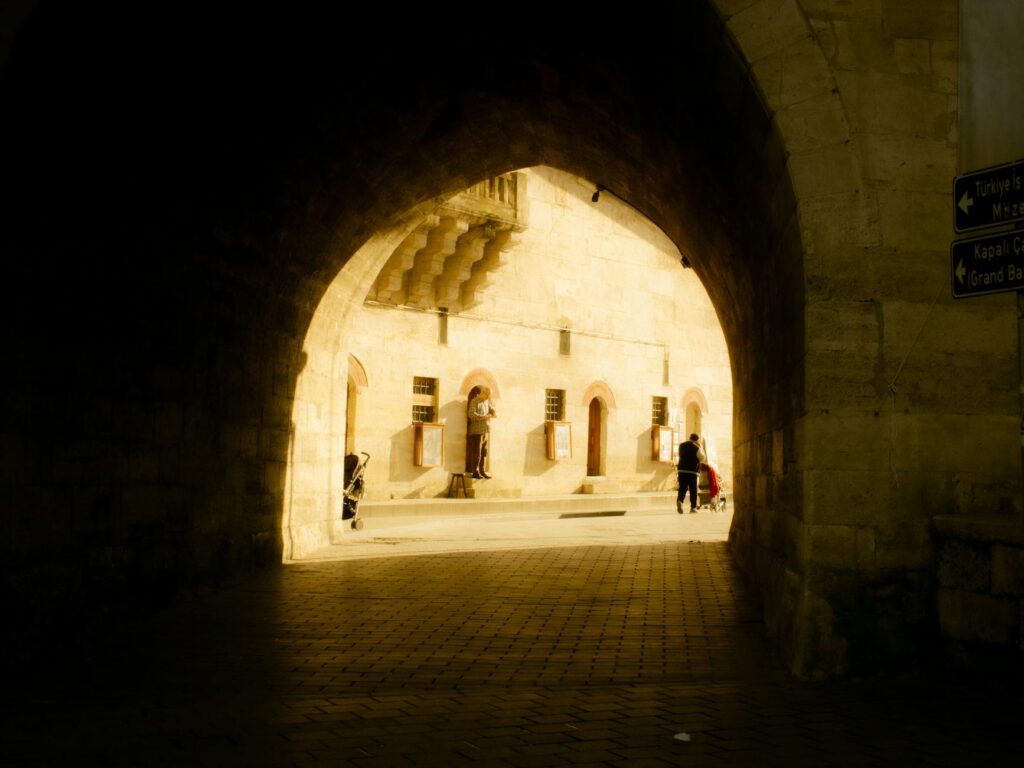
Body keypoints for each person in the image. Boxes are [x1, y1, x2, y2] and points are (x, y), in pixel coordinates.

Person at [467, 387, 496, 479]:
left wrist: (494, 412)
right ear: (483, 393)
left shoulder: (486, 401)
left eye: (489, 396)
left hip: (485, 430)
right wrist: (484, 417)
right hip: (476, 431)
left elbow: (491, 409)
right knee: (477, 452)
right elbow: (471, 415)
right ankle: (475, 471)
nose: (488, 397)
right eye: (487, 395)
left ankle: (482, 471)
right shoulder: (474, 401)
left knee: (484, 452)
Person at [677, 432, 706, 513]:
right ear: (697, 440)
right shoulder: (696, 448)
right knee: (693, 489)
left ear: (689, 437)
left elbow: (680, 455)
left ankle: (680, 501)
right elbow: (702, 458)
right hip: (692, 471)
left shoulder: (681, 445)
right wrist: (700, 447)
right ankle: (693, 507)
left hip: (681, 470)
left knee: (682, 487)